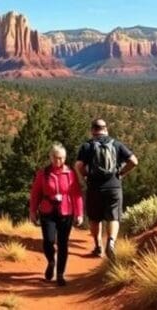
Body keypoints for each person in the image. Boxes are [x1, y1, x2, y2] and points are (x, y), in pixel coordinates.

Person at [74, 118, 138, 262]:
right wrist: (121, 173)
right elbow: (134, 161)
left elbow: (78, 165)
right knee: (114, 217)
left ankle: (98, 246)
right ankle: (111, 241)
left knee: (94, 218)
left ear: (92, 130)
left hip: (94, 187)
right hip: (114, 186)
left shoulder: (87, 146)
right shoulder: (116, 144)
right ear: (106, 129)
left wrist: (85, 176)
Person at [29, 143, 84, 286]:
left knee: (63, 243)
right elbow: (35, 194)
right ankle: (51, 262)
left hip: (66, 211)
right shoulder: (43, 174)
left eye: (61, 158)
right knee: (48, 241)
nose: (58, 160)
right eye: (55, 157)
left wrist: (79, 213)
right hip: (47, 211)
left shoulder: (70, 173)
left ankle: (60, 274)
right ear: (50, 157)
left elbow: (76, 194)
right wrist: (32, 211)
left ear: (65, 158)